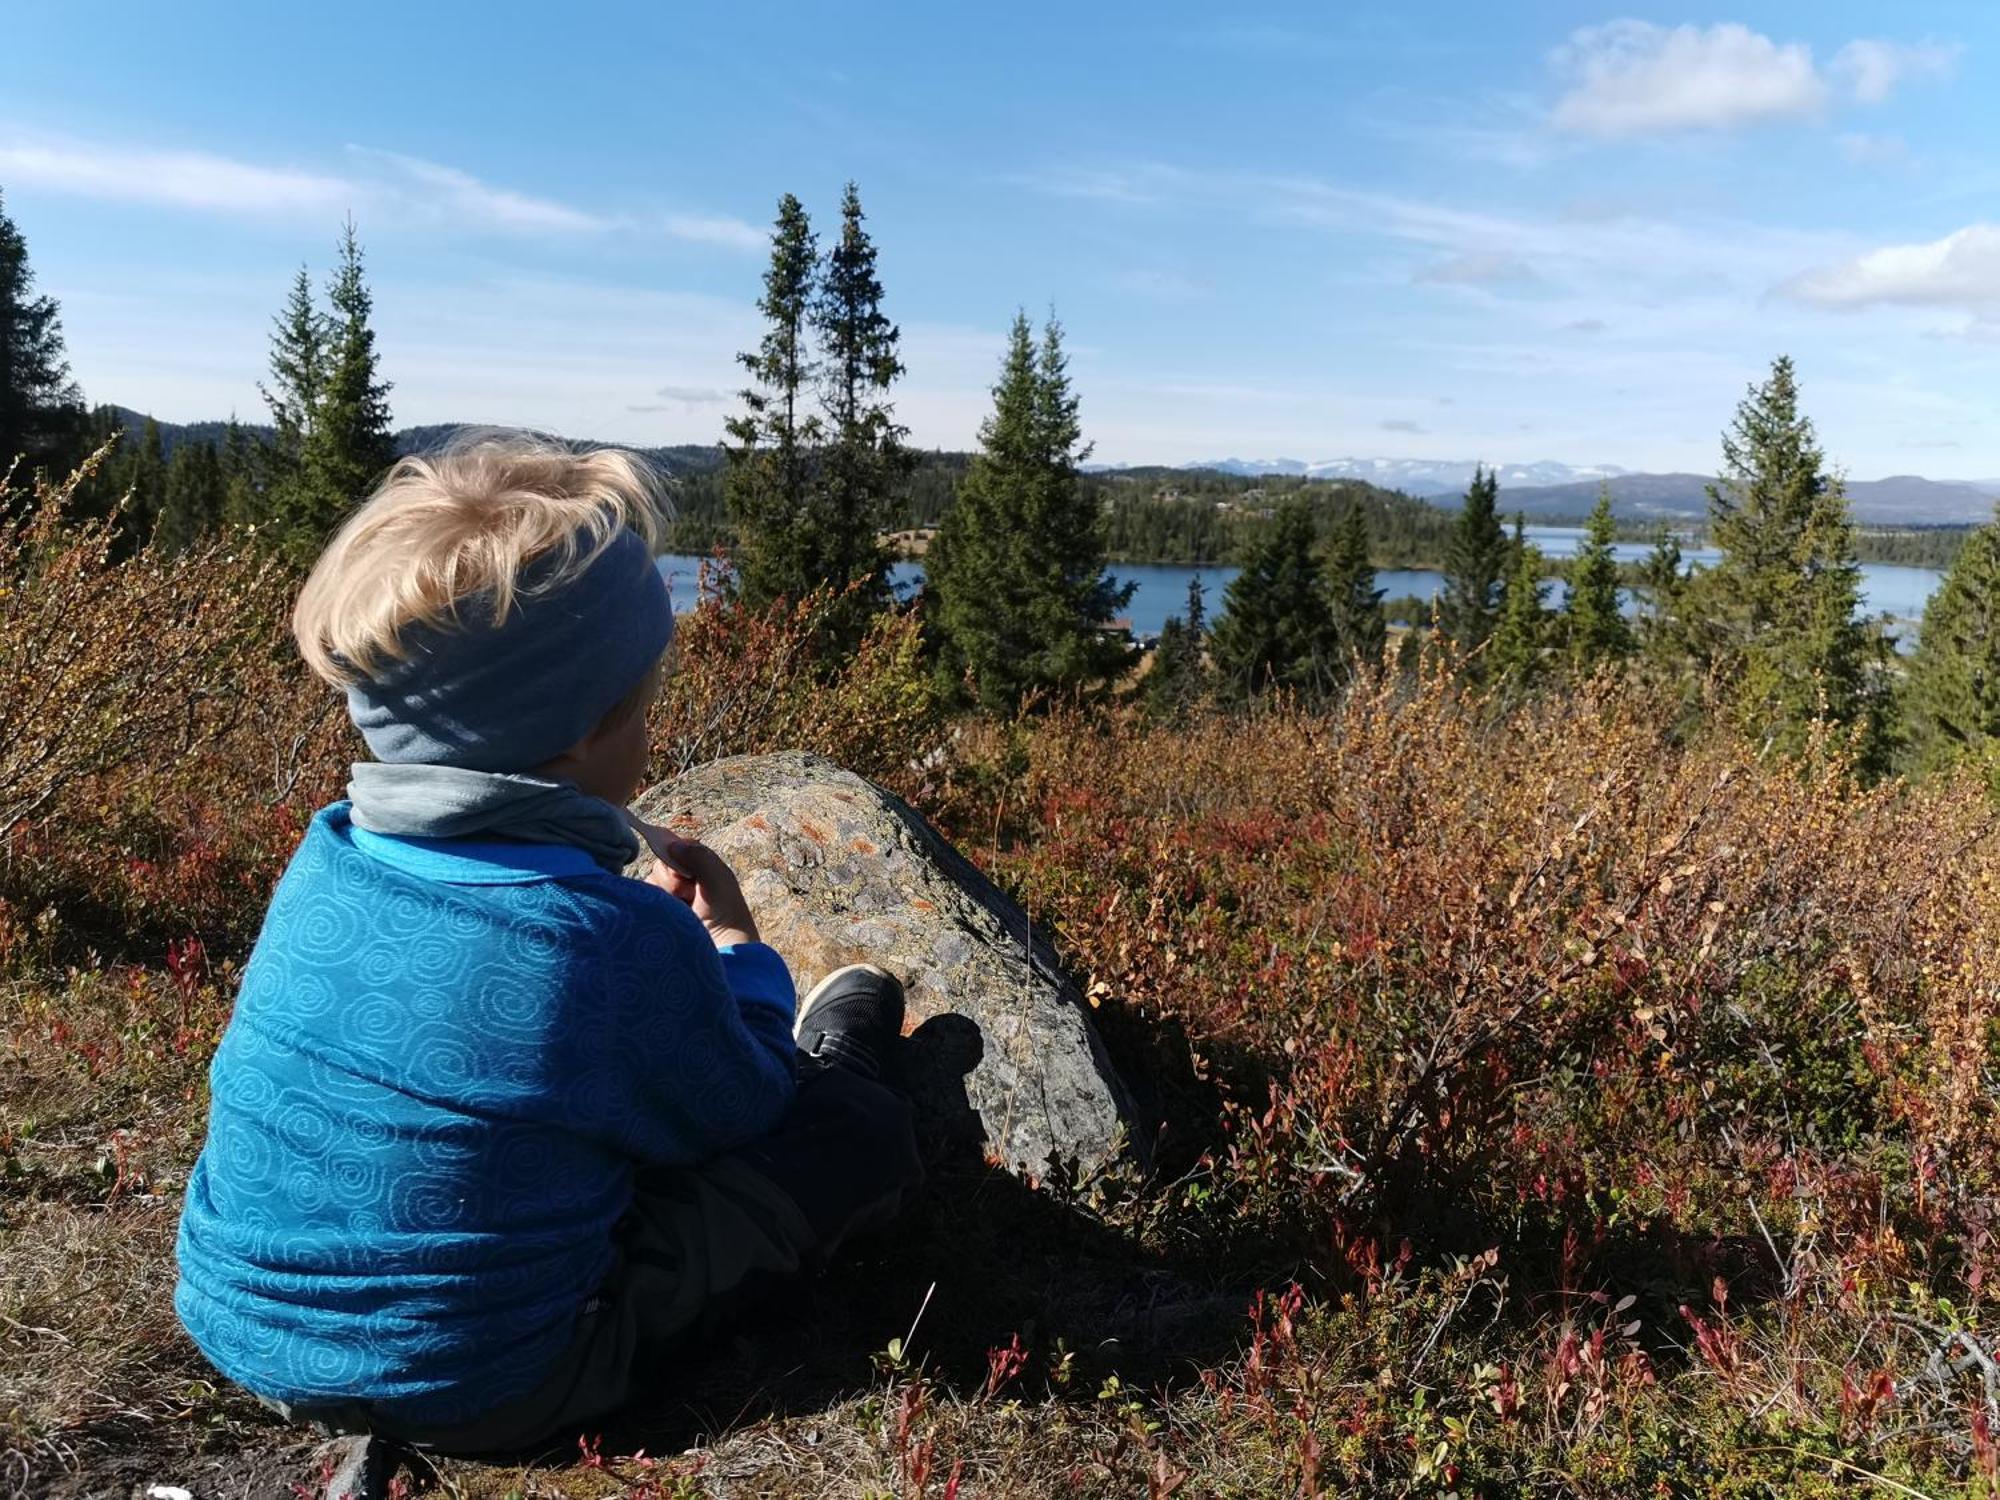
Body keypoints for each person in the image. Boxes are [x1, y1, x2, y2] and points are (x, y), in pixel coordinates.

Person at [173, 432, 923, 1453]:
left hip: (239, 1327)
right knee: (851, 1131)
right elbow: (742, 1107)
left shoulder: (327, 858)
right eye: (641, 707)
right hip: (489, 1381)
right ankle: (842, 1041)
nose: (650, 732)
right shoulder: (610, 939)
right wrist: (737, 956)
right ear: (577, 736)